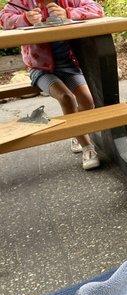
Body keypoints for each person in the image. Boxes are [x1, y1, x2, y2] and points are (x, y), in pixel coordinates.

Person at [0, 0, 104, 170]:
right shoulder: (22, 2)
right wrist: (25, 18)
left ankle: (75, 131)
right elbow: (3, 18)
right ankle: (87, 147)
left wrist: (68, 13)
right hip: (40, 69)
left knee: (87, 101)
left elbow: (97, 9)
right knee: (67, 98)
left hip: (69, 64)